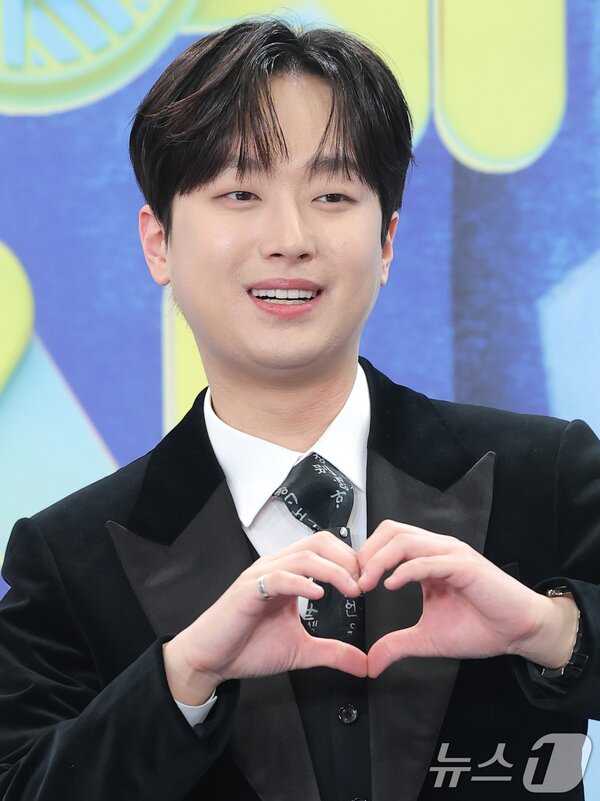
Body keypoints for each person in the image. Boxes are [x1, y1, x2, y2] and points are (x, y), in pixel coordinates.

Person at [1, 16, 599, 801]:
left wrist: (552, 630)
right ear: (158, 243)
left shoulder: (546, 476)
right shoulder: (69, 559)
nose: (289, 237)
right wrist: (183, 677)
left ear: (387, 242)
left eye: (332, 194)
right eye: (240, 192)